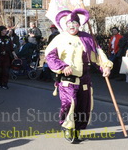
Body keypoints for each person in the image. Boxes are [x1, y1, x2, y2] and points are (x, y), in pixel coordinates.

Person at [45, 9, 112, 144]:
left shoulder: (87, 38)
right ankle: (67, 127)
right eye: (69, 23)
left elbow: (97, 54)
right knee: (70, 103)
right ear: (65, 25)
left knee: (83, 106)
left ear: (79, 24)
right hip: (67, 80)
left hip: (85, 80)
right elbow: (49, 56)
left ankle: (77, 130)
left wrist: (105, 66)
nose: (72, 25)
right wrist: (62, 66)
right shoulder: (60, 38)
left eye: (74, 22)